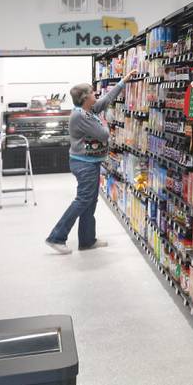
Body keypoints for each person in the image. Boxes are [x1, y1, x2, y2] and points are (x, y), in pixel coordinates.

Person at [45, 70, 137, 254]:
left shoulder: (87, 110)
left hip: (89, 162)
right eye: (93, 92)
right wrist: (104, 122)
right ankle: (56, 237)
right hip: (84, 164)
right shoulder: (81, 116)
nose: (97, 95)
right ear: (86, 98)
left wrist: (123, 81)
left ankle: (87, 240)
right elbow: (103, 134)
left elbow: (105, 101)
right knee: (83, 200)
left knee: (90, 201)